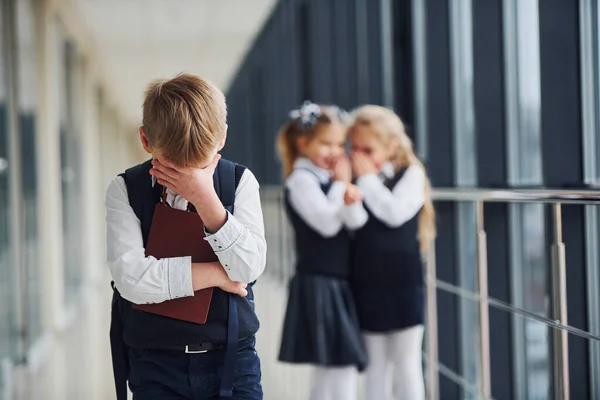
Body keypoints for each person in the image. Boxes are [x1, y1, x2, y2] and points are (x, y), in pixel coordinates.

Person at [105, 73, 266, 399]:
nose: (188, 177)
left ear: (221, 138)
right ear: (146, 141)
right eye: (174, 166)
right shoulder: (126, 189)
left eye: (199, 166)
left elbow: (249, 268)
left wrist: (207, 200)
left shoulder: (238, 182)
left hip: (231, 356)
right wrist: (217, 276)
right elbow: (132, 280)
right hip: (154, 361)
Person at [277, 101, 368, 400]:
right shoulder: (300, 181)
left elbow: (356, 221)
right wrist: (343, 187)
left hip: (334, 281)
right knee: (338, 366)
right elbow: (327, 226)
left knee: (332, 368)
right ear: (303, 143)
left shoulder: (327, 181)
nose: (335, 151)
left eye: (339, 144)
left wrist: (344, 190)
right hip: (319, 281)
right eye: (326, 143)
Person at [347, 105, 436, 400]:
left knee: (407, 364)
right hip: (367, 282)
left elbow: (394, 213)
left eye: (368, 149)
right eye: (355, 149)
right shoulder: (355, 178)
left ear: (391, 146)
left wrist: (367, 180)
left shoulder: (412, 175)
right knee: (374, 366)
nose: (359, 157)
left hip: (403, 283)